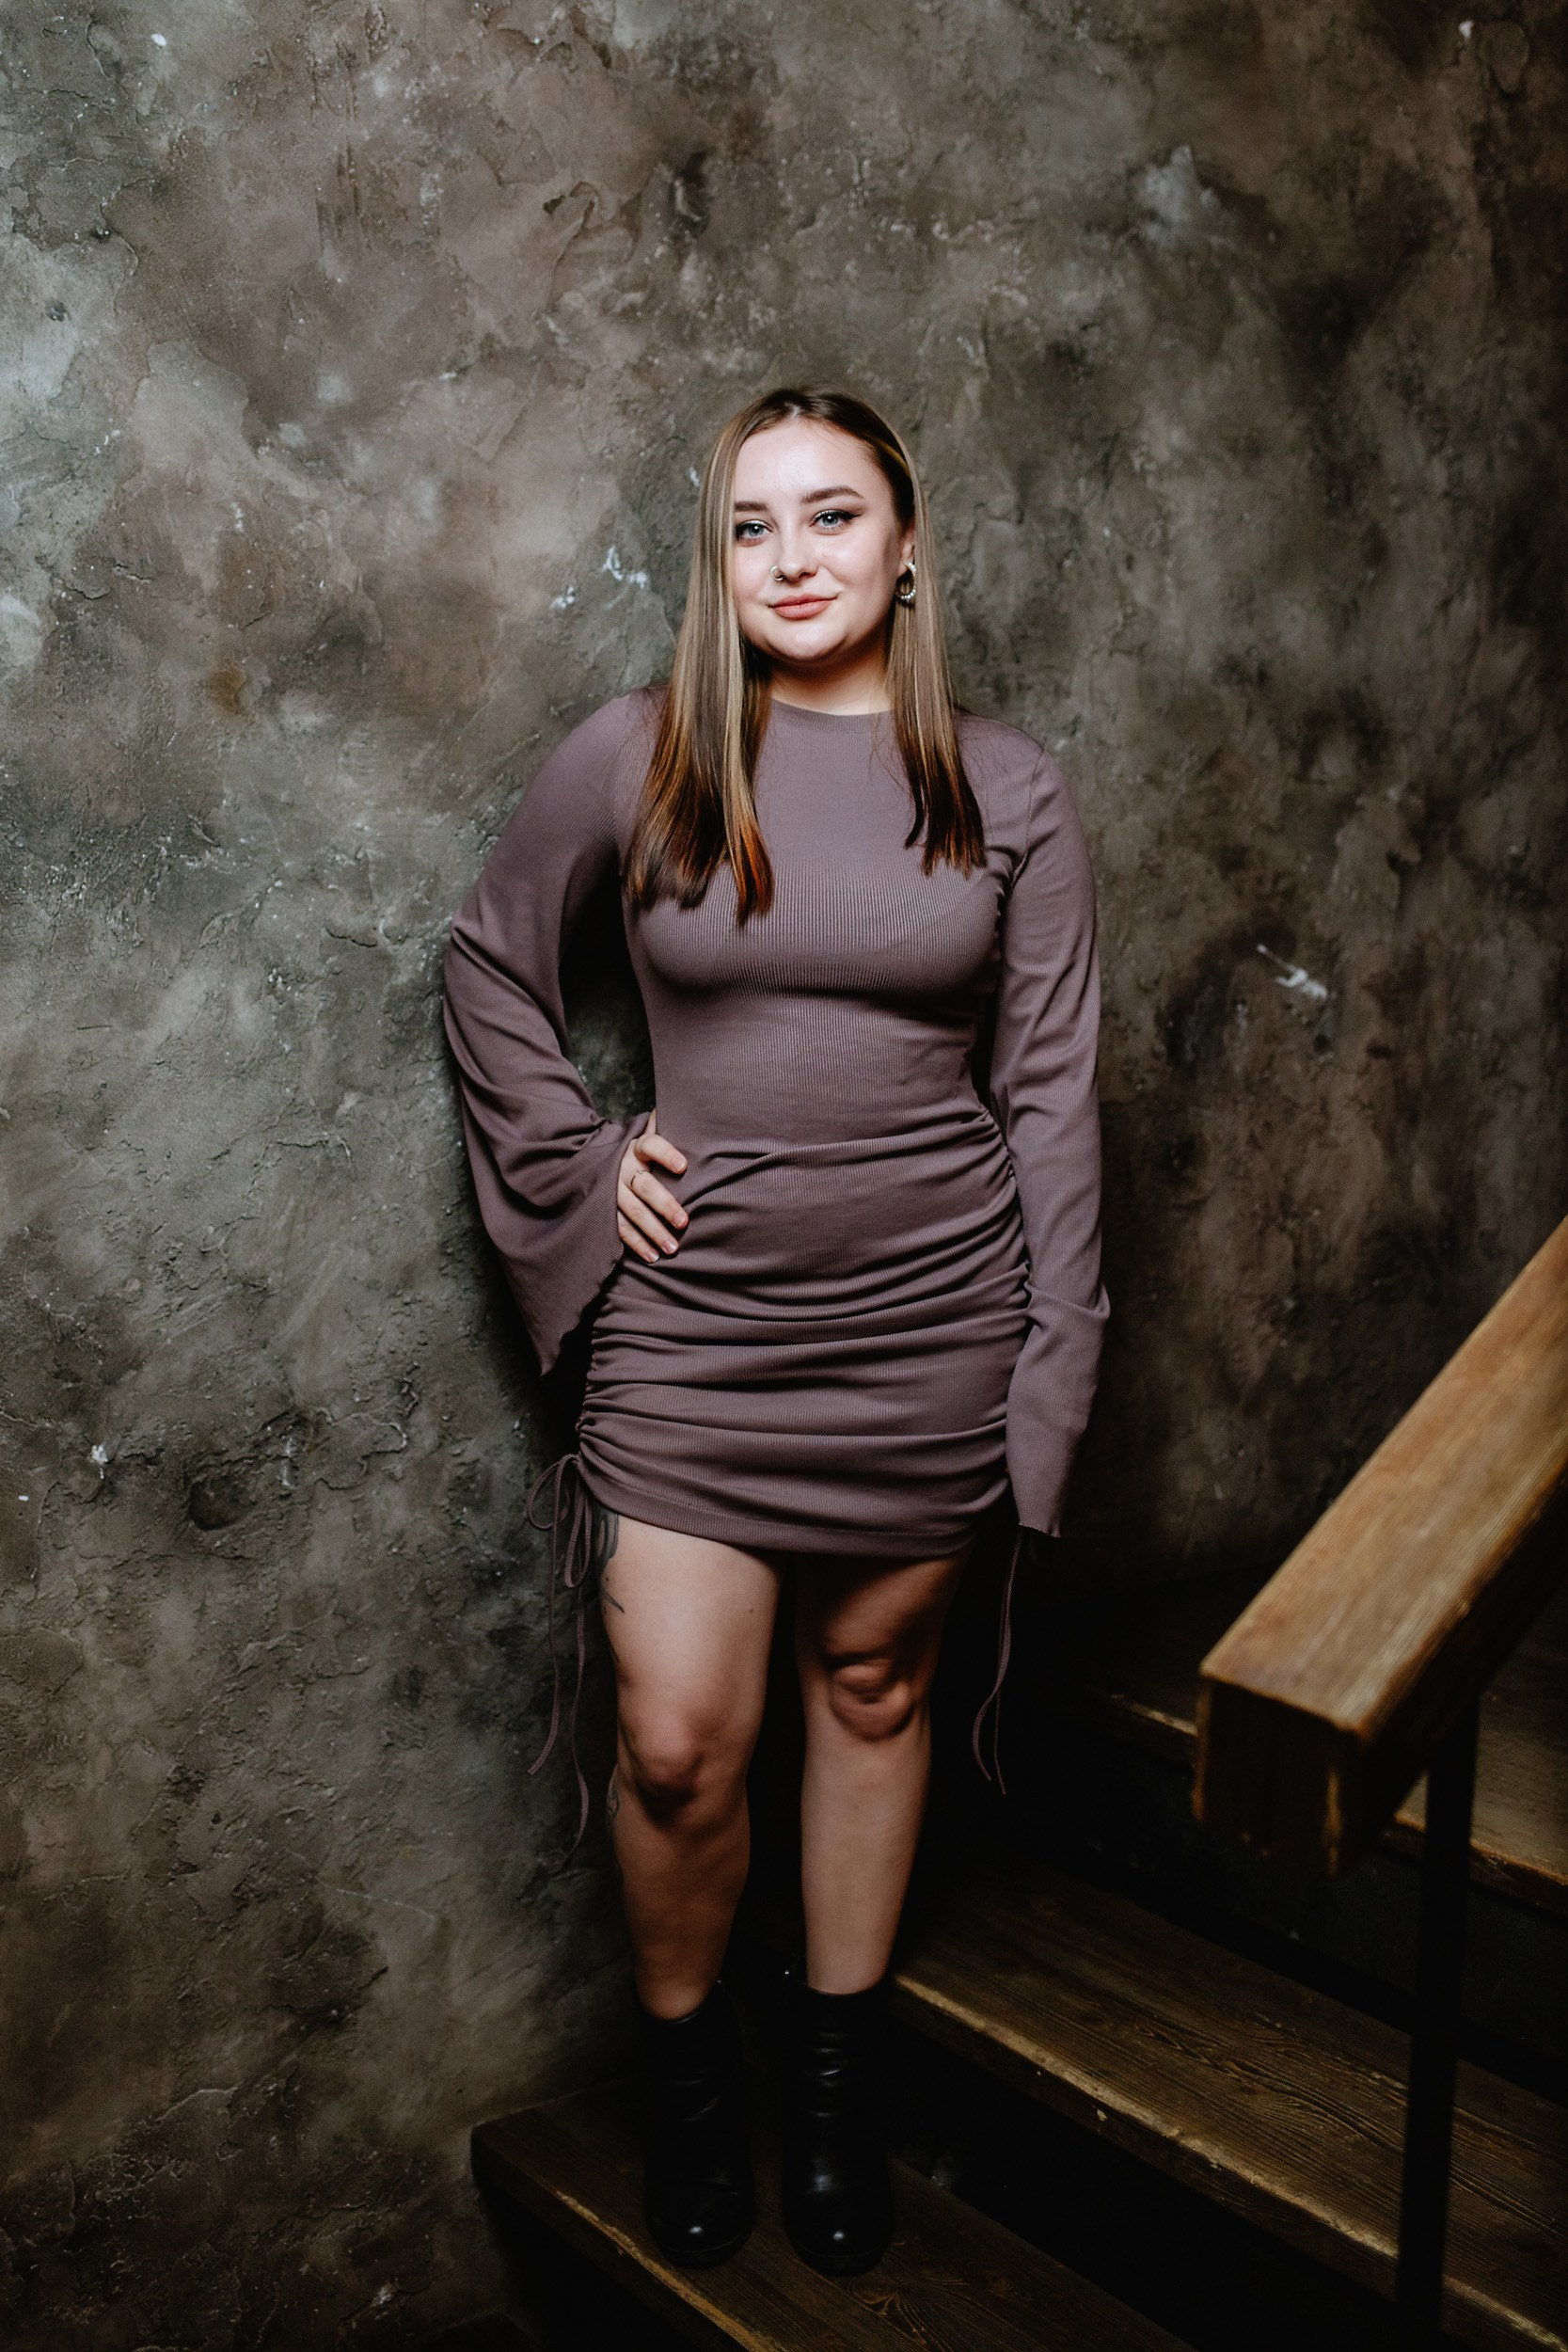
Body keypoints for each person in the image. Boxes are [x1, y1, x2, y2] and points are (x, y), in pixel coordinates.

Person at [441, 386, 1107, 2280]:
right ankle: (693, 2092)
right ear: (715, 565)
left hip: (934, 1323)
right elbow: (488, 960)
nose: (793, 558)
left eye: (832, 516)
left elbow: (1053, 1097)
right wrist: (582, 1163)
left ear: (907, 548)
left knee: (877, 1694)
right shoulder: (639, 751)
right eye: (751, 526)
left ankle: (832, 2095)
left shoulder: (1007, 785)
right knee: (673, 1740)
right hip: (697, 1338)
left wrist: (1055, 1364)